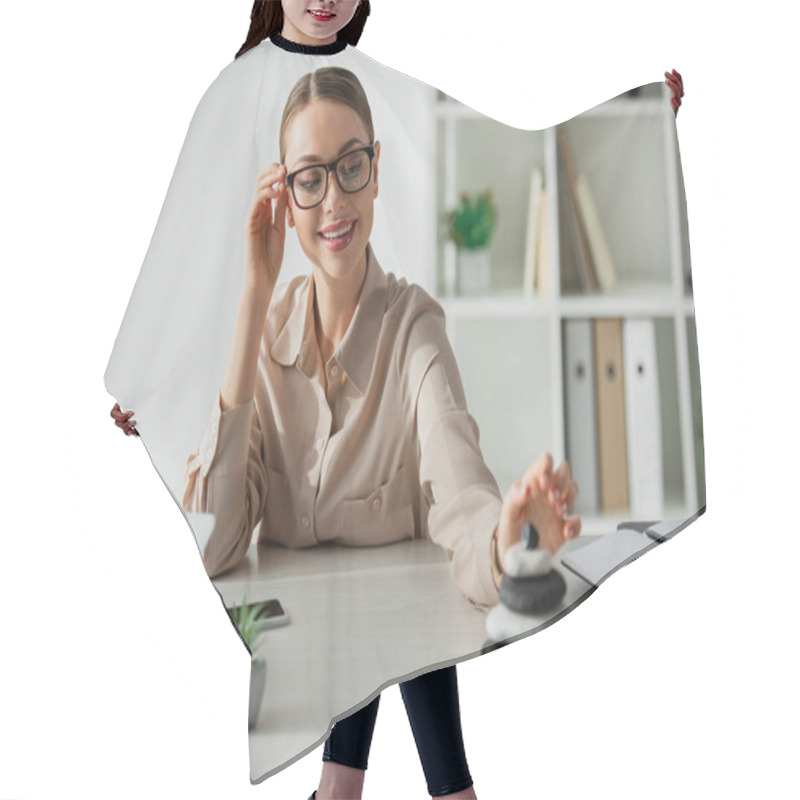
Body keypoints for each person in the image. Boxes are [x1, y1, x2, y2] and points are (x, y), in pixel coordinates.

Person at [109, 3, 684, 798]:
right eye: (309, 179)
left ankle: (380, 786)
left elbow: (459, 491)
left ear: (375, 170)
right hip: (312, 559)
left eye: (352, 169)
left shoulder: (413, 331)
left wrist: (632, 126)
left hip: (387, 578)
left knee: (396, 594)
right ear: (283, 193)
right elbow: (186, 239)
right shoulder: (265, 327)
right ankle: (378, 786)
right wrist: (164, 367)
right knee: (368, 600)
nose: (335, 201)